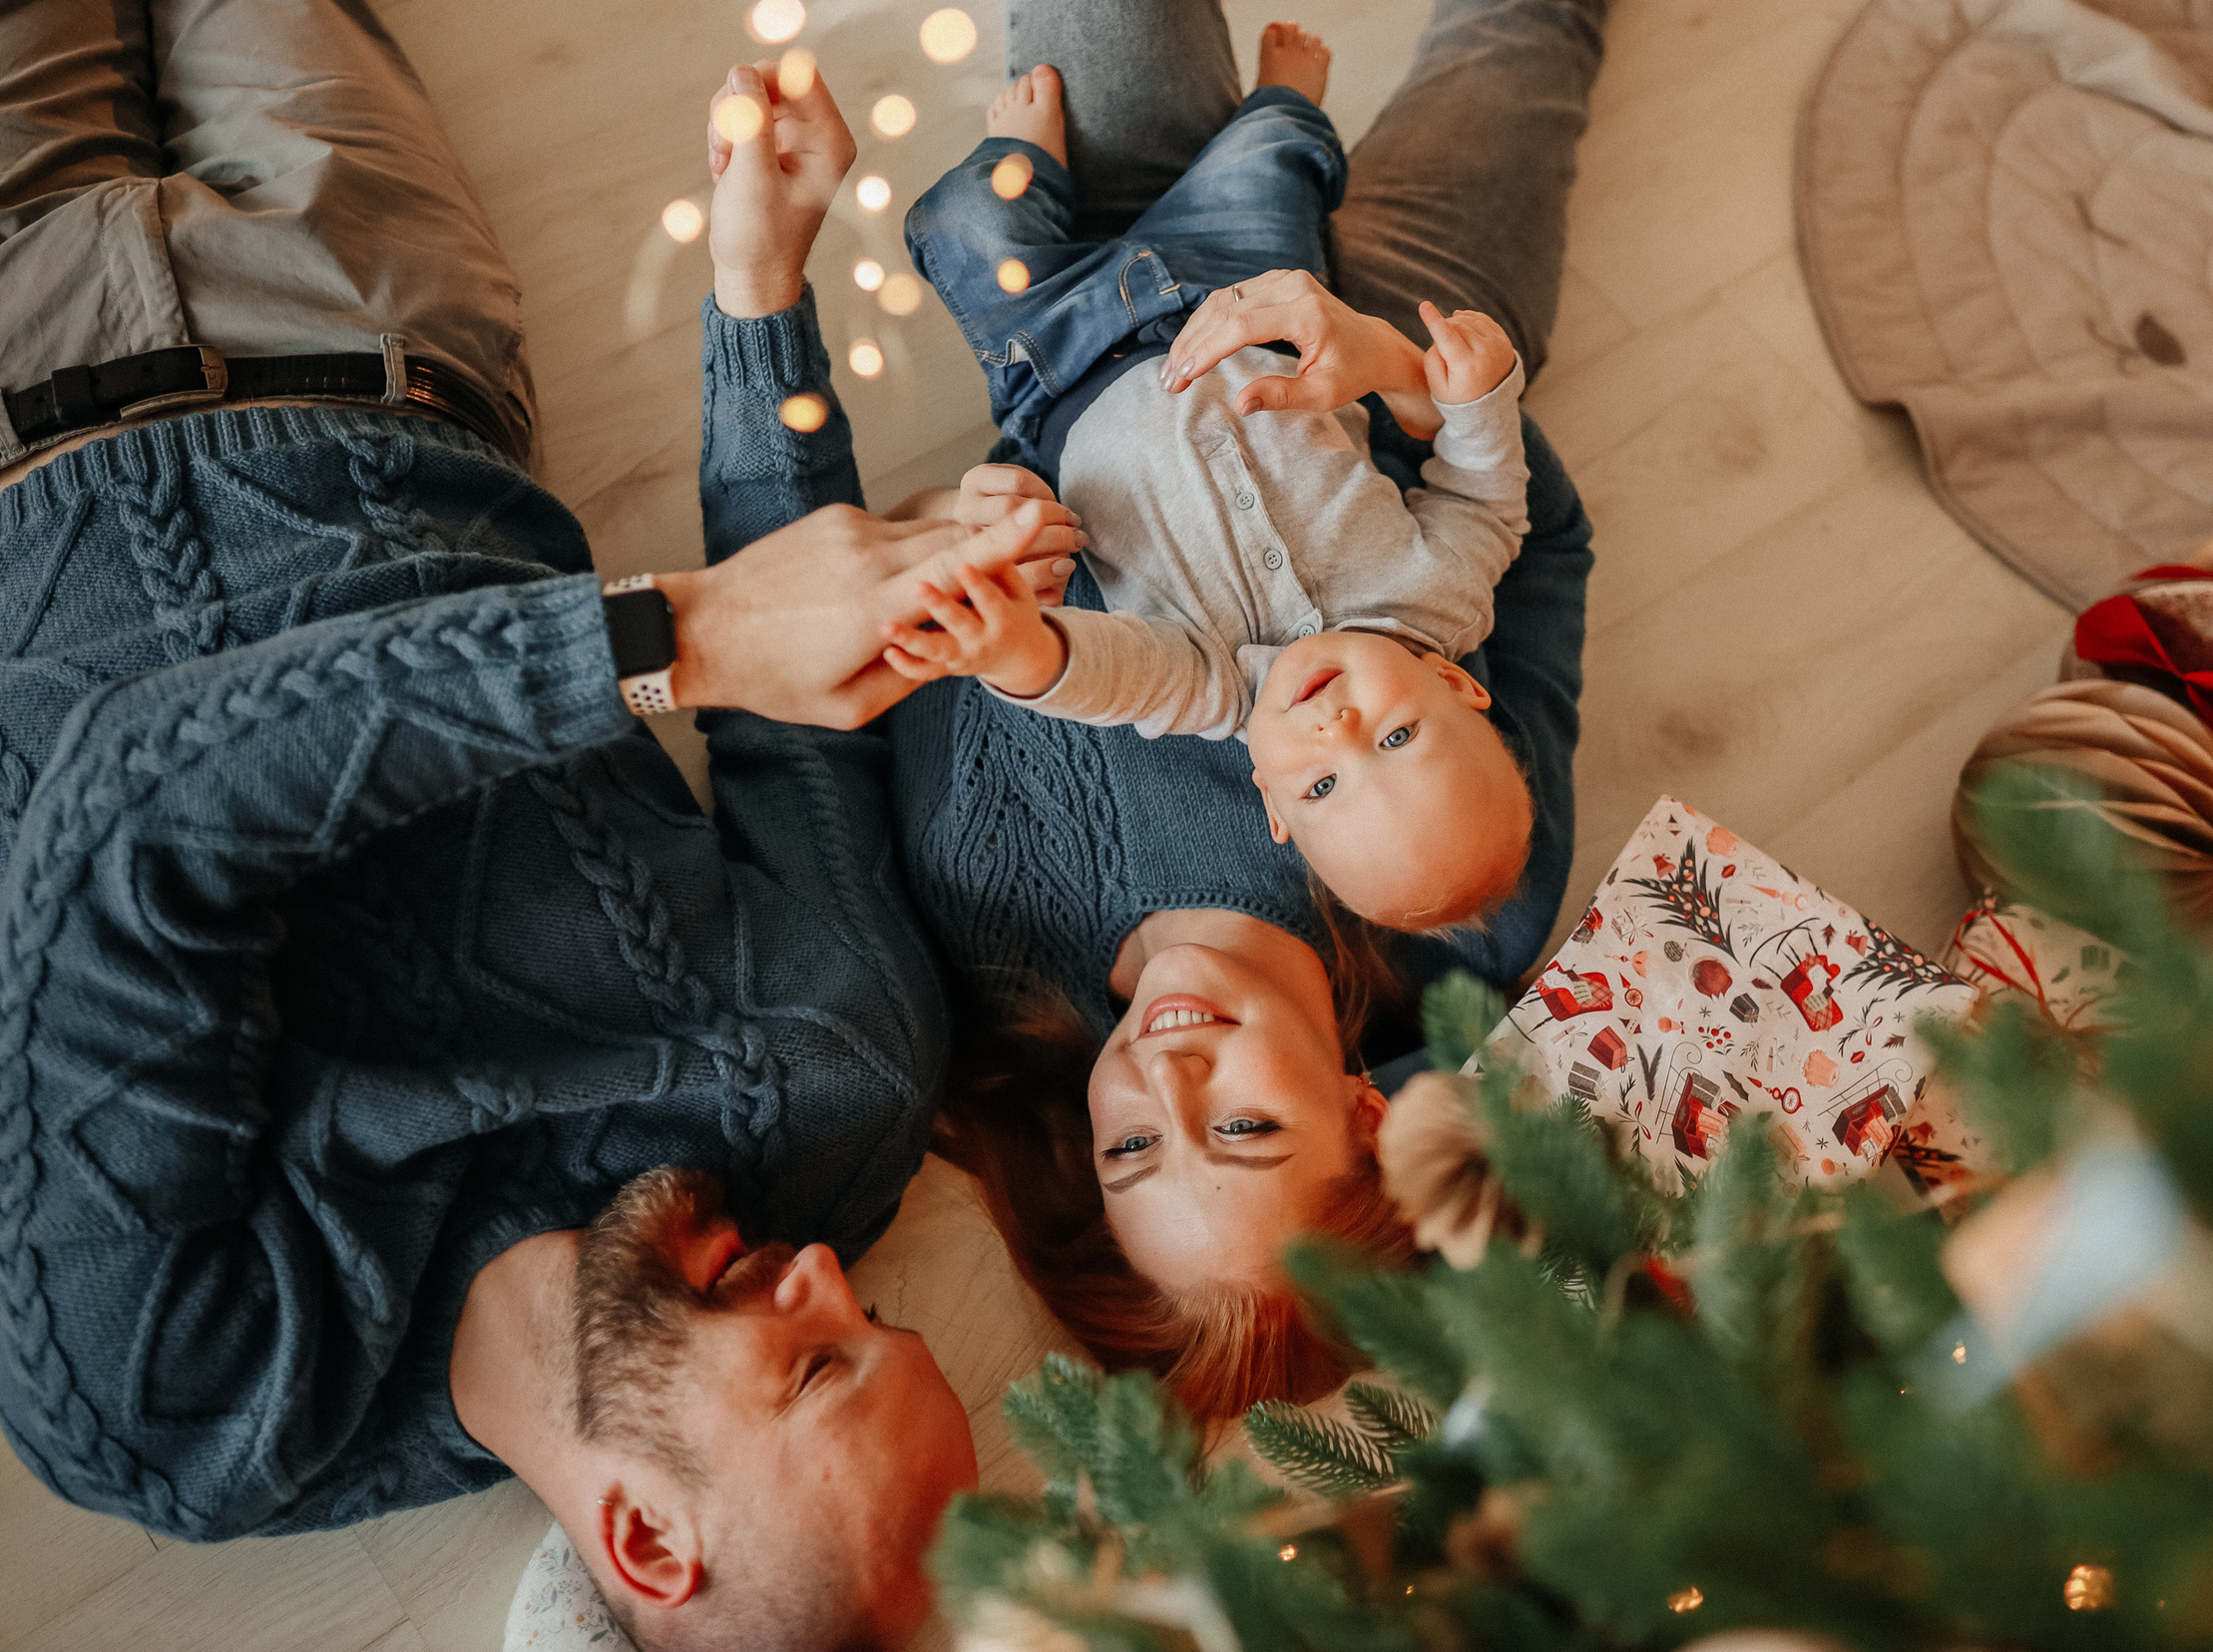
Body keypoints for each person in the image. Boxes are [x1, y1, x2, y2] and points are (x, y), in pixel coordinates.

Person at [0, 8, 1035, 1644]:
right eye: (878, 1319)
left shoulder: (191, 1407)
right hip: (383, 322)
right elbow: (801, 689)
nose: (832, 1270)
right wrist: (766, 297)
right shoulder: (839, 1087)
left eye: (820, 1359)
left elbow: (136, 820)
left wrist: (661, 642)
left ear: (643, 1540)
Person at [891, 0, 1609, 1422]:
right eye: (1240, 1127)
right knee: (1526, 35)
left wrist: (965, 536)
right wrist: (1406, 373)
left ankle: (1263, 138)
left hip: (1078, 348)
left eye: (1135, 1152)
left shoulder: (995, 938)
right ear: (1362, 1111)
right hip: (1384, 351)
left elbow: (953, 621)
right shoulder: (1470, 912)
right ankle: (1292, 135)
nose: (1164, 1076)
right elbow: (1537, 551)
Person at [887, 38, 1540, 936]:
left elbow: (1109, 678)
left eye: (1321, 784)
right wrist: (1475, 401)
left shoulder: (1214, 689)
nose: (1338, 731)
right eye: (1396, 737)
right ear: (1458, 688)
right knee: (1267, 166)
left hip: (1062, 365)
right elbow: (1487, 504)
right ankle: (1287, 96)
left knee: (962, 221)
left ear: (1272, 799)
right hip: (1239, 299)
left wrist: (1020, 656)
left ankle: (1027, 166)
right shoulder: (1443, 597)